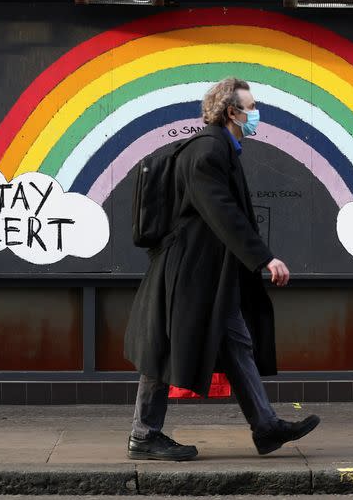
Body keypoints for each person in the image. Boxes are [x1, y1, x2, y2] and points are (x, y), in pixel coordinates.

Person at [123, 77, 320, 461]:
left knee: (237, 342)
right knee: (163, 348)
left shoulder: (220, 148)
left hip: (208, 274)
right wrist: (263, 257)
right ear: (233, 111)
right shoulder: (209, 150)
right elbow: (221, 210)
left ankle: (265, 427)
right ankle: (144, 434)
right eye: (252, 106)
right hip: (188, 272)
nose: (256, 114)